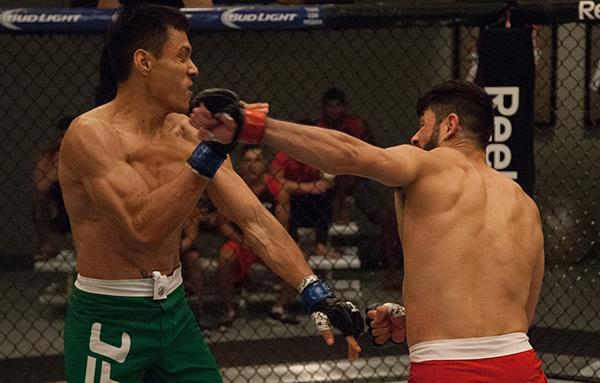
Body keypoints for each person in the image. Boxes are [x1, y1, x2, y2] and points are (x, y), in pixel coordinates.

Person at [58, 5, 362, 382]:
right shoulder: (91, 134)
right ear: (144, 62)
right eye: (183, 56)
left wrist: (313, 289)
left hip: (173, 310)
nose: (194, 69)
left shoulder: (189, 136)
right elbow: (141, 227)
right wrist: (211, 153)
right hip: (109, 315)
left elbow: (254, 219)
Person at [189, 79, 548, 382]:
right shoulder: (524, 205)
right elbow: (518, 315)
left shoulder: (426, 165)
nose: (415, 136)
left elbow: (350, 156)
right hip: (521, 364)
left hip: (446, 368)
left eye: (423, 124)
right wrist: (417, 319)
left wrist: (251, 125)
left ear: (449, 125)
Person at [316, 88, 402, 281]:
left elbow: (371, 156)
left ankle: (391, 272)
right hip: (326, 183)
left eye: (338, 105)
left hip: (358, 180)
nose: (334, 110)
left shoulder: (356, 125)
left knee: (388, 219)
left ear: (344, 107)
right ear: (324, 108)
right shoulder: (318, 127)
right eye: (330, 105)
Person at [218, 145, 299, 326]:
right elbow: (222, 224)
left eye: (257, 160)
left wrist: (262, 241)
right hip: (241, 241)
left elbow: (281, 226)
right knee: (225, 257)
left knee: (296, 259)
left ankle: (278, 308)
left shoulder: (278, 189)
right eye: (248, 160)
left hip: (269, 242)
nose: (253, 165)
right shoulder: (231, 186)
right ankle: (229, 310)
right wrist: (243, 240)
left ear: (264, 163)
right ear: (241, 164)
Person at [270, 143, 339, 258]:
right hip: (294, 200)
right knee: (283, 195)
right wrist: (308, 187)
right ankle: (294, 244)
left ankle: (321, 245)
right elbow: (278, 181)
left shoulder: (317, 154)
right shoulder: (283, 154)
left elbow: (329, 180)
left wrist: (326, 183)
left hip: (315, 201)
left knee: (328, 195)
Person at [32, 116, 74, 262]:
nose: (64, 140)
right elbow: (41, 187)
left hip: (83, 206)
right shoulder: (49, 157)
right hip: (58, 208)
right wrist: (60, 163)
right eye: (62, 136)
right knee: (39, 201)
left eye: (69, 136)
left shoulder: (90, 155)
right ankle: (46, 248)